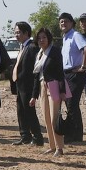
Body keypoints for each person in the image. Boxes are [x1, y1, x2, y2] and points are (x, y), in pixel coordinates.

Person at [33, 27, 66, 158]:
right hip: (42, 85)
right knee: (46, 118)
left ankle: (59, 147)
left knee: (54, 118)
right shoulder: (39, 53)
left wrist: (62, 90)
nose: (41, 40)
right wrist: (33, 95)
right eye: (39, 38)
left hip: (54, 85)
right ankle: (52, 146)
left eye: (44, 37)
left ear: (49, 38)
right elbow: (36, 74)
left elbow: (60, 72)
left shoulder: (55, 51)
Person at [10, 21, 43, 148]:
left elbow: (34, 68)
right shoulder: (23, 47)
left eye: (19, 32)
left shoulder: (32, 47)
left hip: (28, 85)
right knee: (21, 110)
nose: (16, 35)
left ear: (26, 33)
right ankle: (25, 136)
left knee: (29, 111)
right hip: (20, 84)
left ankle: (36, 136)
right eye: (15, 32)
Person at [58, 13, 86, 143]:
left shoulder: (76, 35)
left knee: (72, 104)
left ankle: (75, 134)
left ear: (71, 23)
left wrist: (83, 66)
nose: (63, 24)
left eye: (65, 21)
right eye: (61, 22)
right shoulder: (65, 38)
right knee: (69, 104)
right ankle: (72, 133)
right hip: (65, 74)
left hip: (75, 74)